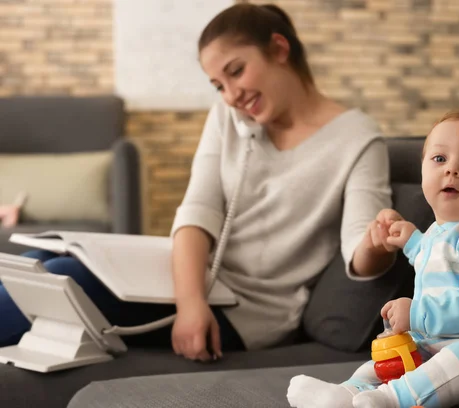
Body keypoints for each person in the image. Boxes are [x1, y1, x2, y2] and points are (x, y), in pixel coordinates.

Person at [0, 3, 396, 362]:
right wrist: (191, 303)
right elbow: (196, 211)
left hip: (249, 312)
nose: (230, 96)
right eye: (218, 85)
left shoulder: (358, 140)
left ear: (278, 49)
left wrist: (376, 244)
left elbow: (359, 252)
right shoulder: (229, 120)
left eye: (236, 71)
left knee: (66, 276)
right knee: (36, 266)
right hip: (189, 283)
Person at [287, 109, 459, 408]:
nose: (452, 170)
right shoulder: (437, 234)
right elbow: (433, 258)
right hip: (437, 352)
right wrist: (409, 239)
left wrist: (417, 313)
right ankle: (346, 395)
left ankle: (391, 401)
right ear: (423, 170)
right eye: (439, 159)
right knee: (387, 361)